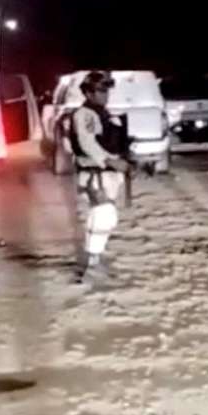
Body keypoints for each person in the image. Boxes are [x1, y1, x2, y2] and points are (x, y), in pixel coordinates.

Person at [70, 71, 132, 284]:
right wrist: (110, 161)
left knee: (105, 218)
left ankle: (94, 261)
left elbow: (111, 143)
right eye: (101, 90)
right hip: (94, 173)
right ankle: (92, 266)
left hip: (107, 174)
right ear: (88, 92)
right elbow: (87, 143)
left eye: (107, 90)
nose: (105, 94)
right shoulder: (84, 115)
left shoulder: (103, 114)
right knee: (103, 214)